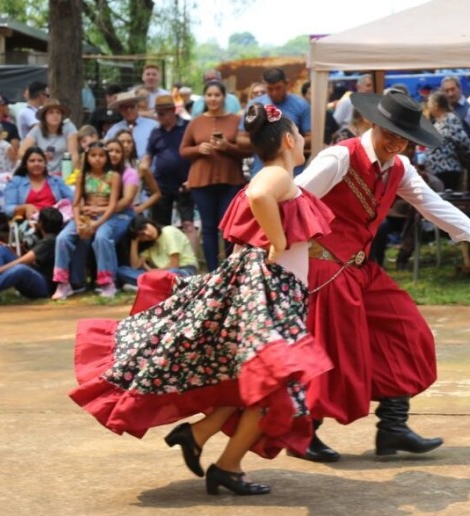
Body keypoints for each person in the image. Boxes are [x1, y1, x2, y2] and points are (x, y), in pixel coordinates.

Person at [68, 103, 334, 496]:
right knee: (271, 384)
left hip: (271, 290)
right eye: (300, 137)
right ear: (291, 141)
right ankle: (227, 466)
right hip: (270, 293)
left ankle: (198, 435)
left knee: (249, 379)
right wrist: (277, 242)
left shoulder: (280, 176)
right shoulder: (276, 175)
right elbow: (260, 196)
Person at [292, 90, 470, 462]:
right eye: (391, 133)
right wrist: (280, 262)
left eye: (404, 138)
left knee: (407, 331)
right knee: (335, 352)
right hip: (323, 270)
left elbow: (431, 203)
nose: (396, 143)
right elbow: (294, 202)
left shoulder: (398, 167)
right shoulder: (340, 156)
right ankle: (303, 434)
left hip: (359, 269)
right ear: (373, 123)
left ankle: (393, 428)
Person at [180, 81, 249, 271]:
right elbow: (183, 150)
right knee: (208, 227)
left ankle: (230, 269)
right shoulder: (196, 122)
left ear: (224, 97)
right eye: (209, 95)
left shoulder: (236, 120)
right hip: (202, 182)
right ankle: (212, 271)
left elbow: (248, 151)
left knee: (228, 228)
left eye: (217, 95)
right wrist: (198, 148)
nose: (213, 99)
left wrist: (227, 147)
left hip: (231, 180)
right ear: (204, 98)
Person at [52, 141, 122, 300]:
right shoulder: (82, 176)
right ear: (87, 157)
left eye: (101, 155)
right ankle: (63, 283)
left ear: (106, 157)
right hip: (85, 216)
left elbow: (112, 206)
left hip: (106, 217)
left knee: (101, 238)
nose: (97, 159)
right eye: (93, 155)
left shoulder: (113, 176)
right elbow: (75, 204)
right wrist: (77, 222)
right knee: (63, 238)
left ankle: (107, 282)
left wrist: (97, 223)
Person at [141, 93, 198, 255]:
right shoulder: (155, 132)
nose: (159, 116)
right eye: (157, 113)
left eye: (162, 113)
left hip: (185, 183)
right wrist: (144, 175)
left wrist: (193, 178)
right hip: (161, 186)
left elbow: (197, 156)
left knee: (188, 224)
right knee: (160, 225)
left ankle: (191, 262)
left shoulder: (187, 127)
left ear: (173, 111)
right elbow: (148, 158)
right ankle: (163, 259)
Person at [243, 67, 311, 176]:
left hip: (293, 172)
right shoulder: (255, 106)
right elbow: (241, 139)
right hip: (261, 170)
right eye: (270, 89)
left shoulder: (301, 105)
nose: (274, 93)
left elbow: (311, 137)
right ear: (265, 85)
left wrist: (284, 141)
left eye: (278, 88)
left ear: (287, 83)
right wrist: (265, 141)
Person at [115, 215, 198, 287]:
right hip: (160, 276)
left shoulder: (168, 231)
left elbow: (174, 265)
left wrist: (151, 271)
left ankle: (146, 285)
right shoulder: (150, 244)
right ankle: (154, 286)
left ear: (149, 222)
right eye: (142, 235)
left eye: (145, 228)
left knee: (172, 273)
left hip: (184, 270)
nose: (147, 233)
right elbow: (135, 265)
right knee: (122, 270)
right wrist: (134, 241)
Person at [4, 147, 73, 219]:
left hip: (54, 221)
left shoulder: (56, 181)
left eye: (40, 161)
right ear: (25, 164)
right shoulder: (15, 182)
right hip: (28, 222)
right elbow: (8, 209)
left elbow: (73, 199)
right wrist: (25, 207)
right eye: (32, 161)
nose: (36, 164)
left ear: (45, 163)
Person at [19, 99, 79, 176]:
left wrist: (73, 175)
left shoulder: (69, 127)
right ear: (44, 116)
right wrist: (39, 155)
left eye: (58, 112)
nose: (55, 116)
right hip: (41, 173)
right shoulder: (37, 130)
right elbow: (21, 153)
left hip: (64, 172)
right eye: (51, 112)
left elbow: (74, 154)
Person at [424, 91, 470, 191]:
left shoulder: (450, 119)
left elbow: (463, 141)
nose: (428, 106)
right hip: (436, 171)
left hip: (448, 169)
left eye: (429, 103)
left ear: (436, 105)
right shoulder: (437, 122)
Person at [104, 91, 159, 159]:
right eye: (125, 107)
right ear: (119, 110)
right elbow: (105, 148)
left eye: (132, 106)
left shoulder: (153, 126)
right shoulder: (114, 130)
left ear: (137, 107)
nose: (129, 110)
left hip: (149, 168)